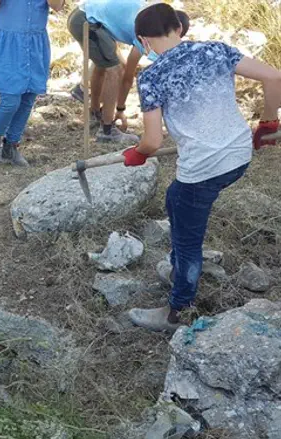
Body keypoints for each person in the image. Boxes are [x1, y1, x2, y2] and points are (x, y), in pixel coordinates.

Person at [122, 3, 280, 332]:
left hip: (204, 167)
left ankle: (178, 311)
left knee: (187, 240)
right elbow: (274, 76)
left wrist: (137, 154)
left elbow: (152, 141)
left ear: (143, 40)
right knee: (175, 197)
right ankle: (178, 268)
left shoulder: (151, 76)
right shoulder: (215, 50)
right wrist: (268, 122)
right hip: (238, 155)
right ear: (179, 28)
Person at [67, 0, 189, 144]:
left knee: (104, 65)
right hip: (87, 20)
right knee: (115, 70)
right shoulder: (147, 33)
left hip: (83, 14)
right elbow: (127, 77)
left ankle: (94, 113)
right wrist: (120, 109)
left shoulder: (153, 17)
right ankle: (107, 131)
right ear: (177, 29)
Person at [0, 0, 66, 166]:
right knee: (10, 100)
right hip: (9, 44)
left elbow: (57, 6)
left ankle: (11, 145)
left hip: (34, 44)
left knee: (28, 98)